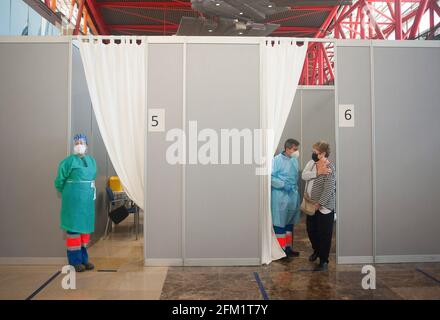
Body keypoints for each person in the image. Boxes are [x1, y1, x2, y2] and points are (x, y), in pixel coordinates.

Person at [54, 134, 97, 272]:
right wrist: (68, 192)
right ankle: (75, 261)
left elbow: (93, 176)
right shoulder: (67, 162)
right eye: (77, 142)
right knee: (73, 231)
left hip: (87, 202)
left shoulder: (91, 161)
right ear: (74, 145)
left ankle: (85, 260)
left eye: (82, 142)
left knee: (85, 231)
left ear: (86, 145)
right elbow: (59, 181)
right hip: (73, 201)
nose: (79, 145)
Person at [302, 141, 336, 271]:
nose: (313, 153)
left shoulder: (330, 168)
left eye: (315, 151)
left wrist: (319, 203)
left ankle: (323, 260)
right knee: (311, 231)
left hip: (324, 207)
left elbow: (329, 189)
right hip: (311, 205)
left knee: (324, 234)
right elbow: (304, 176)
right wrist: (317, 173)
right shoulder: (311, 164)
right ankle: (316, 250)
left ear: (323, 153)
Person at [271, 139, 301, 258]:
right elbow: (271, 178)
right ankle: (280, 250)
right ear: (287, 149)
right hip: (280, 196)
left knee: (289, 223)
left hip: (292, 195)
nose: (296, 152)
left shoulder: (294, 160)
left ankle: (288, 248)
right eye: (295, 149)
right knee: (280, 223)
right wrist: (283, 185)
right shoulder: (277, 160)